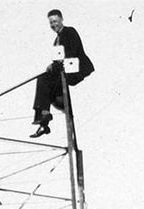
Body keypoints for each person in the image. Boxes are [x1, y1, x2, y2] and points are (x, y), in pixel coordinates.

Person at [30, 10, 94, 138]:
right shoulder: (56, 40)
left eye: (55, 21)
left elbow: (71, 52)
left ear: (61, 20)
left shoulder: (69, 32)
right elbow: (58, 58)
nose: (53, 25)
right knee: (43, 79)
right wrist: (54, 65)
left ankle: (44, 116)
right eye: (51, 23)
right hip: (65, 70)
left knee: (46, 81)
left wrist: (54, 65)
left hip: (76, 68)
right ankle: (43, 118)